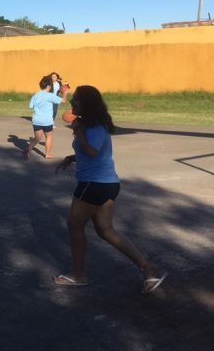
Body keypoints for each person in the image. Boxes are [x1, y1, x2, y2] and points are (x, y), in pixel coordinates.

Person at [54, 85, 166, 294]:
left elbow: (93, 151)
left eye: (75, 99)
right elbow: (91, 152)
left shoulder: (93, 126)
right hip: (105, 183)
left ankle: (78, 276)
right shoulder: (91, 125)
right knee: (105, 230)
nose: (71, 102)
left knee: (74, 225)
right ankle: (148, 269)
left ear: (87, 103)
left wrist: (77, 130)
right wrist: (73, 158)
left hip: (93, 184)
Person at [23, 75, 67, 160]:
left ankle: (27, 150)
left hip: (37, 120)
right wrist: (65, 93)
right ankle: (47, 154)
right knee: (49, 137)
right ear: (49, 86)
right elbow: (64, 101)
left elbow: (31, 106)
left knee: (37, 138)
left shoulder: (36, 95)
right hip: (47, 121)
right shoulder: (50, 96)